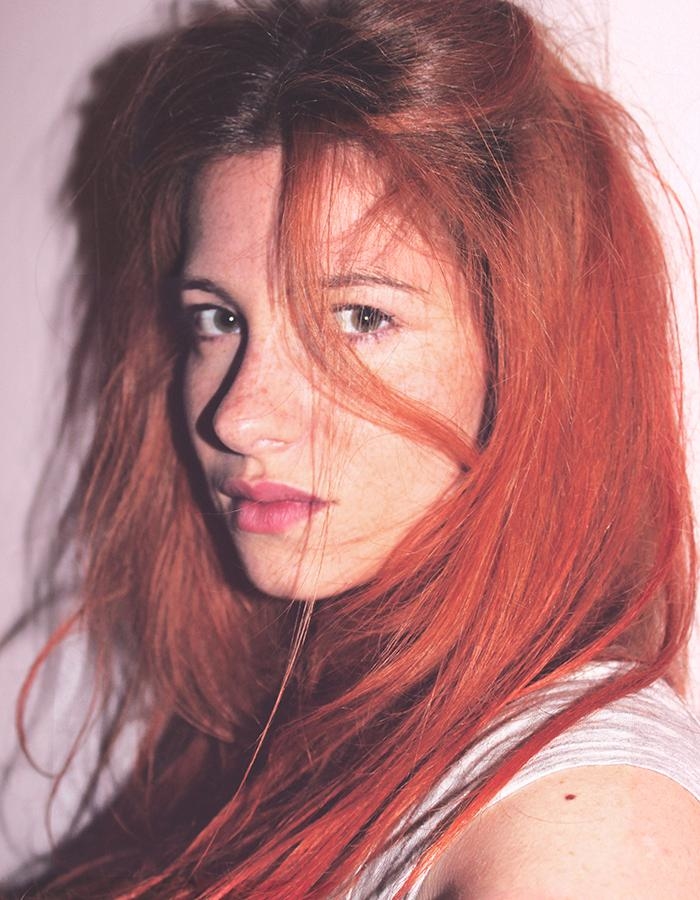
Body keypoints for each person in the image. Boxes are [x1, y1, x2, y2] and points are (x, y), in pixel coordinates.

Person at [4, 0, 700, 896]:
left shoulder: (587, 818)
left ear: (530, 355)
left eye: (361, 317)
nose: (237, 419)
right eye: (218, 319)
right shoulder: (288, 721)